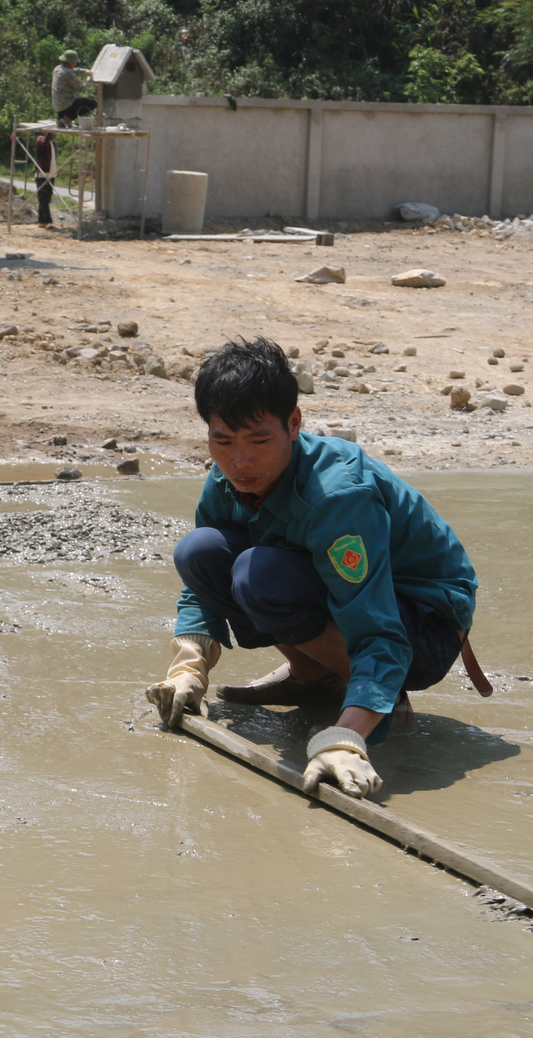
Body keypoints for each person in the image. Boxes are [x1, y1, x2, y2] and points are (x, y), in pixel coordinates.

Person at [146, 339, 485, 799]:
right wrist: (189, 666)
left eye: (259, 440)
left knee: (258, 573)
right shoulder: (227, 478)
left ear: (294, 424)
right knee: (200, 551)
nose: (239, 461)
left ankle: (378, 701)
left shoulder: (338, 497)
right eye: (222, 441)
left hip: (423, 625)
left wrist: (348, 738)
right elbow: (199, 582)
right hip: (351, 602)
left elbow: (380, 629)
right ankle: (313, 676)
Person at [51, 49, 95, 126]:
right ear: (69, 62)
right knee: (92, 103)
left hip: (57, 106)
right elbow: (81, 88)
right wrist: (88, 81)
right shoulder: (68, 73)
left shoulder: (57, 69)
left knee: (74, 102)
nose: (75, 64)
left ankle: (61, 118)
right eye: (74, 62)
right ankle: (68, 117)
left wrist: (84, 71)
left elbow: (73, 70)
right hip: (66, 104)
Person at [30, 129, 58, 226]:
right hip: (42, 173)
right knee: (43, 198)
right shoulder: (40, 140)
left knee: (47, 197)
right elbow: (44, 142)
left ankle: (41, 221)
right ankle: (47, 220)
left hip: (51, 173)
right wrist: (49, 132)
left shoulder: (52, 143)